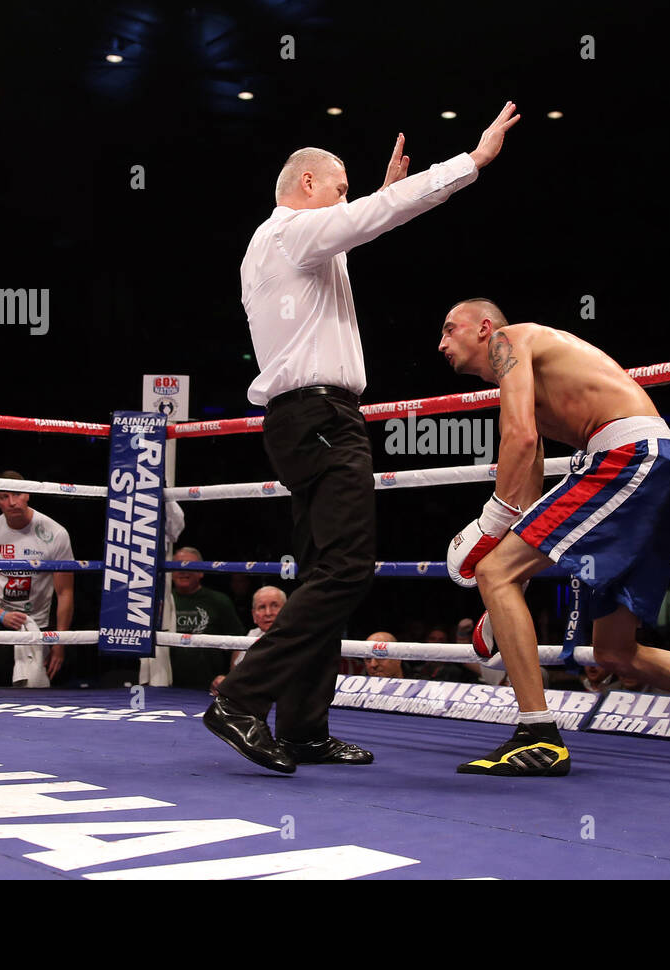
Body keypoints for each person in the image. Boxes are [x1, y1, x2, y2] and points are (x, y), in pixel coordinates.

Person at [204, 102, 521, 774]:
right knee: (347, 567)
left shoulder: (293, 243)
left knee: (325, 572)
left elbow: (371, 219)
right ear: (310, 185)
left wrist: (379, 196)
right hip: (319, 420)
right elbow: (378, 218)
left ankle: (303, 729)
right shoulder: (291, 232)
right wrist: (474, 161)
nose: (348, 202)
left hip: (307, 420)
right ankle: (240, 698)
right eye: (342, 190)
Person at [440, 300, 670, 776]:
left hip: (628, 458)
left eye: (450, 329)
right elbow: (530, 467)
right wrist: (510, 557)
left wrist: (493, 520)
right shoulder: (520, 376)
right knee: (614, 650)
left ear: (485, 328)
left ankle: (538, 735)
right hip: (647, 464)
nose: (441, 343)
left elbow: (520, 438)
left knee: (492, 570)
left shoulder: (511, 340)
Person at [0, 471, 74, 687]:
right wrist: (2, 614)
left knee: (49, 681)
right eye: (4, 496)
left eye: (17, 494)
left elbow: (65, 592)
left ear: (28, 494)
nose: (12, 502)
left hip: (40, 620)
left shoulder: (55, 533)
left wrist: (60, 642)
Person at [170, 547, 244, 690]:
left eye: (189, 565)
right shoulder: (162, 601)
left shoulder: (219, 601)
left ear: (201, 572)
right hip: (165, 685)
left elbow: (239, 643)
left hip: (210, 687)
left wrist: (231, 679)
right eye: (178, 565)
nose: (183, 570)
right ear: (170, 572)